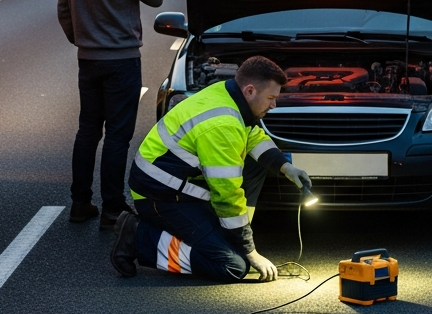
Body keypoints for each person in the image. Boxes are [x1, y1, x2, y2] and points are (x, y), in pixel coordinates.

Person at [109, 56, 313, 282]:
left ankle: (234, 233)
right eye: (271, 98)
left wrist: (285, 167)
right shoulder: (223, 124)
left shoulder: (227, 92)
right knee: (233, 266)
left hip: (171, 181)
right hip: (158, 196)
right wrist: (249, 251)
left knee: (257, 164)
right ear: (250, 91)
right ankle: (138, 236)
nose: (274, 105)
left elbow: (252, 135)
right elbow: (226, 194)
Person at [58, 0, 165, 229]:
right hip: (121, 61)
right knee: (118, 136)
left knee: (88, 131)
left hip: (88, 60)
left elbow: (63, 11)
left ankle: (80, 203)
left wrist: (84, 41)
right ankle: (112, 209)